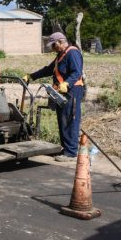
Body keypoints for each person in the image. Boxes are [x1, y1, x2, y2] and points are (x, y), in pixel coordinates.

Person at [24, 32, 85, 163]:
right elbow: (48, 70)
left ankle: (71, 153)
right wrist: (31, 76)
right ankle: (66, 149)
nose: (52, 48)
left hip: (72, 91)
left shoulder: (72, 53)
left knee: (70, 120)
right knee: (62, 120)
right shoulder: (60, 56)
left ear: (60, 42)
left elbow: (77, 72)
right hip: (62, 92)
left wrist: (67, 83)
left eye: (53, 45)